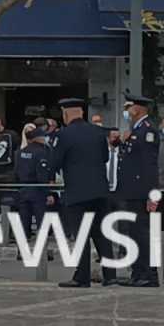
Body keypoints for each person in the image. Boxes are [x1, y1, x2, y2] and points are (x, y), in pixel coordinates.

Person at [51, 98, 117, 288]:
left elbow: (55, 161)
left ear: (66, 114)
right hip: (100, 190)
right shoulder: (98, 132)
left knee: (81, 235)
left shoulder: (64, 135)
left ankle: (82, 276)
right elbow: (105, 157)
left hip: (77, 192)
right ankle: (110, 275)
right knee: (101, 234)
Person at [116, 93, 160, 287]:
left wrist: (152, 194)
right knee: (134, 233)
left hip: (141, 191)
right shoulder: (136, 130)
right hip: (132, 190)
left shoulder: (147, 131)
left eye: (129, 107)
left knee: (142, 234)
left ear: (138, 109)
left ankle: (148, 275)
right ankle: (137, 273)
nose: (126, 111)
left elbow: (149, 165)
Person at [14, 123, 54, 242]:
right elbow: (42, 175)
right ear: (39, 137)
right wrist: (48, 193)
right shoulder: (41, 152)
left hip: (23, 189)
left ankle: (22, 248)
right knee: (41, 222)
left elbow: (16, 172)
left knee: (24, 221)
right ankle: (41, 248)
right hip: (38, 190)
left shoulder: (20, 152)